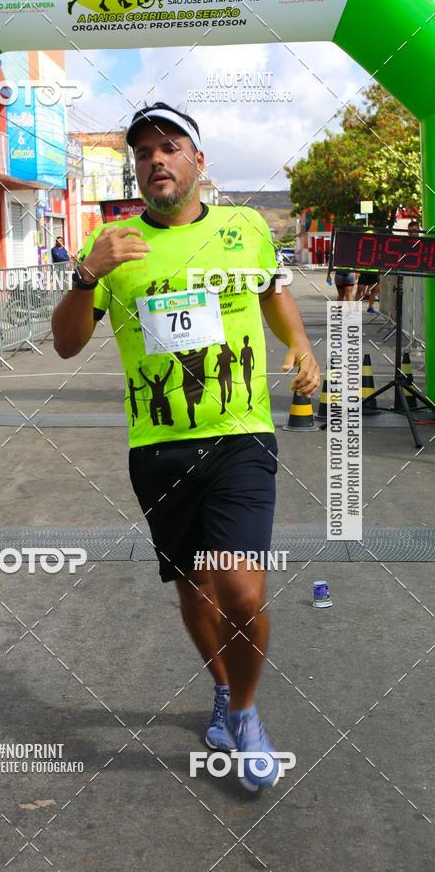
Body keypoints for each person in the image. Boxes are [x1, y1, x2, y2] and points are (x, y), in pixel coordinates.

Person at [51, 101, 320, 792]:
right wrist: (85, 273)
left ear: (199, 161)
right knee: (196, 586)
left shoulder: (245, 227)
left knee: (238, 583)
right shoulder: (113, 245)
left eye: (170, 147)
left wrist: (301, 342)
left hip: (240, 435)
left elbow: (271, 290)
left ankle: (249, 712)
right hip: (159, 447)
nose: (157, 160)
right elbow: (66, 343)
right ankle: (224, 691)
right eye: (143, 153)